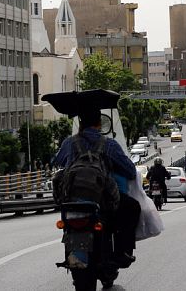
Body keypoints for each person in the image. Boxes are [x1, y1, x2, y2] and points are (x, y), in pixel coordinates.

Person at [54, 108, 139, 268]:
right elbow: (130, 171)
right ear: (99, 124)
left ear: (80, 123)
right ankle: (122, 251)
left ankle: (73, 253)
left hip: (71, 198)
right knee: (132, 207)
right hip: (101, 199)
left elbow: (56, 162)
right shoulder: (109, 144)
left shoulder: (69, 143)